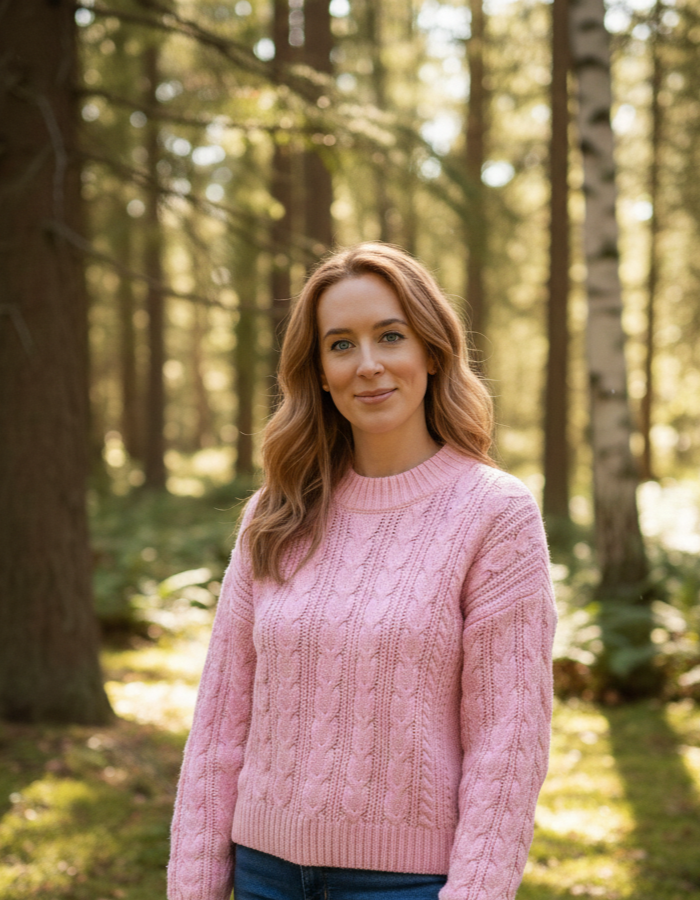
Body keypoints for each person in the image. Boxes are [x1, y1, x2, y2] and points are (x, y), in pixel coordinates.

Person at [167, 243, 557, 900]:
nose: (368, 365)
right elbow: (220, 721)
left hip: (406, 886)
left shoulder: (494, 514)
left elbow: (507, 743)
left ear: (431, 352)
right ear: (318, 371)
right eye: (341, 345)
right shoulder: (277, 510)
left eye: (390, 336)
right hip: (261, 872)